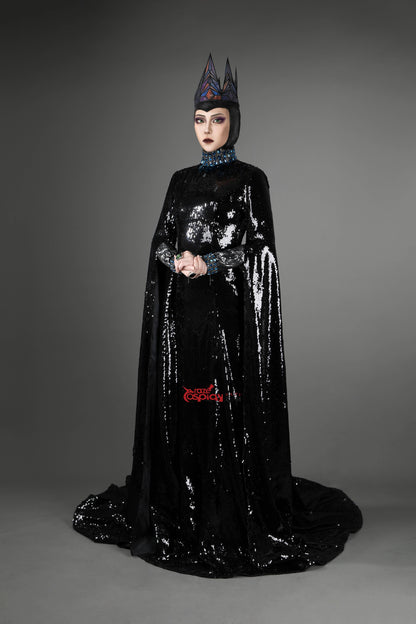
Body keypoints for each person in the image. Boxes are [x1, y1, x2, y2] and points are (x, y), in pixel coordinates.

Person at [72, 54, 363, 578]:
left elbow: (260, 248)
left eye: (218, 118)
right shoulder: (179, 180)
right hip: (182, 316)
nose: (207, 128)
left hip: (228, 318)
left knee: (221, 402)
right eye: (199, 119)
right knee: (185, 400)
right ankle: (183, 506)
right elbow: (161, 238)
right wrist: (176, 260)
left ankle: (225, 512)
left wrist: (210, 262)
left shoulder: (251, 179)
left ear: (234, 122)